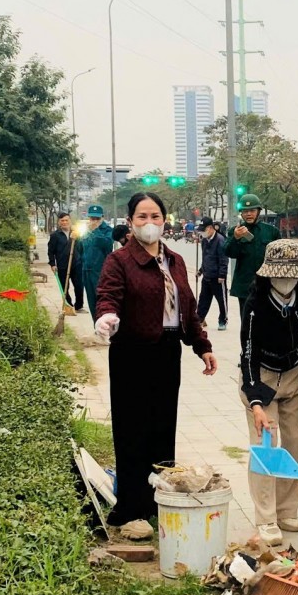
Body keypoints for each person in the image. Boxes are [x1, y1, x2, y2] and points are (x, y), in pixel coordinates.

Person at [94, 193, 219, 527]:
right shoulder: (119, 260)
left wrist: (202, 345)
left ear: (165, 220)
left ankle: (157, 501)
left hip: (167, 351)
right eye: (141, 216)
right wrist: (106, 316)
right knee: (132, 428)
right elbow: (108, 294)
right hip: (131, 352)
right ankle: (131, 507)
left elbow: (187, 309)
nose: (149, 223)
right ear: (131, 221)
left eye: (155, 216)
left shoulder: (175, 260)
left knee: (163, 428)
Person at [238, 239, 298, 546]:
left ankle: (288, 509)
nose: (285, 281)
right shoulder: (256, 303)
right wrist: (256, 403)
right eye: (279, 275)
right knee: (266, 445)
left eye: (290, 275)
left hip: (297, 373)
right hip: (261, 375)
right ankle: (266, 516)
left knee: (295, 442)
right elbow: (247, 355)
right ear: (268, 274)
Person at [225, 193, 280, 334]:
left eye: (252, 210)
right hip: (245, 287)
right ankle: (247, 354)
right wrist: (236, 238)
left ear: (258, 212)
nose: (248, 214)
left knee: (268, 324)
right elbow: (229, 252)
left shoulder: (271, 232)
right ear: (241, 213)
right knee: (247, 325)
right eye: (245, 211)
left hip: (268, 286)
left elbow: (280, 258)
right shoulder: (235, 231)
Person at [79, 205, 113, 319]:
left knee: (102, 300)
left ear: (102, 218)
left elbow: (107, 246)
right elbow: (80, 249)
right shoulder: (85, 231)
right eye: (92, 218)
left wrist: (96, 231)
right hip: (86, 270)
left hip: (100, 271)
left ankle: (105, 325)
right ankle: (97, 326)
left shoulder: (107, 230)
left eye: (97, 219)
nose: (94, 221)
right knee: (91, 301)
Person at [196, 217, 229, 330]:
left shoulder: (220, 240)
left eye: (203, 230)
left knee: (221, 301)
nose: (202, 233)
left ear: (210, 228)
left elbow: (223, 259)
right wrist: (201, 270)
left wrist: (222, 275)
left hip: (217, 277)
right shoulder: (204, 240)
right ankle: (199, 319)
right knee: (203, 299)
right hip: (207, 276)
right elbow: (206, 257)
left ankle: (223, 320)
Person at [47, 213, 84, 312]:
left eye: (66, 220)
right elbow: (51, 251)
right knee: (64, 288)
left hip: (76, 264)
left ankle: (79, 306)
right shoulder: (55, 235)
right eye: (62, 221)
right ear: (59, 222)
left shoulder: (77, 233)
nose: (64, 222)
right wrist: (52, 264)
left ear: (70, 221)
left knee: (79, 286)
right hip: (62, 265)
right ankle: (68, 305)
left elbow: (82, 248)